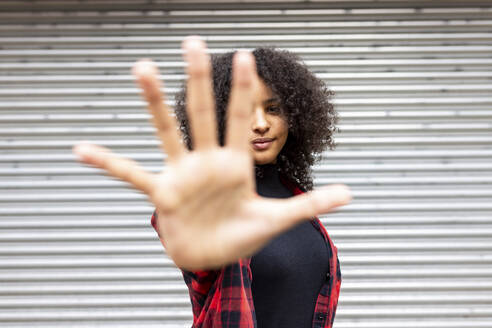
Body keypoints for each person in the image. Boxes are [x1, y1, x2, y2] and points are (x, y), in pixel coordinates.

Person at [73, 36, 352, 328]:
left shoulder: (294, 198)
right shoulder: (213, 202)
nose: (260, 123)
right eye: (245, 111)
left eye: (273, 109)